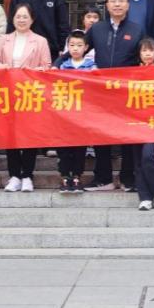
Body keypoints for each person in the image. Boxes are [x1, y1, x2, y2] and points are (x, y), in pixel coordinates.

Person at [84, 0, 144, 190]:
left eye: (121, 0)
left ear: (127, 5)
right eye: (113, 1)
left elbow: (145, 56)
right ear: (107, 5)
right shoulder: (97, 29)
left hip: (127, 91)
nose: (117, 4)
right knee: (100, 133)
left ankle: (128, 177)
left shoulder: (137, 30)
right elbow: (79, 50)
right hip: (101, 91)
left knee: (129, 134)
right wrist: (58, 64)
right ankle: (103, 177)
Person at [0, 3, 52, 192]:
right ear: (13, 19)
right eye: (18, 16)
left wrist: (32, 71)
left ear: (32, 20)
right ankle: (14, 175)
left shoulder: (40, 41)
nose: (21, 20)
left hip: (30, 94)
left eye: (25, 17)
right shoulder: (4, 40)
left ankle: (27, 175)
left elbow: (47, 66)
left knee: (29, 135)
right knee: (10, 135)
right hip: (8, 93)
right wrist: (3, 67)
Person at [57, 30, 96, 192]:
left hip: (83, 113)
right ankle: (65, 176)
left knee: (80, 146)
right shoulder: (62, 66)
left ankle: (77, 176)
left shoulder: (92, 66)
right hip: (65, 112)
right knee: (64, 145)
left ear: (86, 47)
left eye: (79, 45)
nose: (75, 48)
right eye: (72, 45)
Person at [133, 38, 154, 211]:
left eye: (151, 50)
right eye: (144, 50)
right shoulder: (131, 73)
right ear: (139, 53)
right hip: (133, 122)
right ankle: (144, 197)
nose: (147, 54)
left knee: (148, 156)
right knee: (138, 160)